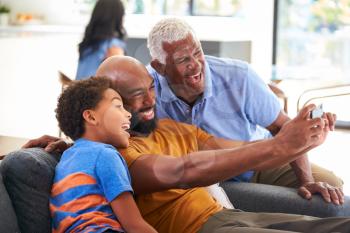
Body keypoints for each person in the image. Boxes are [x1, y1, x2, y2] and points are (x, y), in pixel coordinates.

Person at [24, 56, 349, 233]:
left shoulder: (174, 129)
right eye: (135, 97)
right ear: (109, 104)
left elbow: (238, 154)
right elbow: (183, 170)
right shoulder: (117, 153)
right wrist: (282, 144)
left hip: (228, 214)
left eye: (152, 87)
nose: (152, 99)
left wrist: (297, 139)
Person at [146, 18, 343, 203]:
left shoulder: (240, 76)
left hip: (257, 162)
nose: (195, 65)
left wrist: (306, 181)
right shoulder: (145, 88)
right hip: (196, 177)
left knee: (329, 186)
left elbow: (282, 126)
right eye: (182, 60)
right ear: (160, 67)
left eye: (198, 52)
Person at [51, 76, 156, 233]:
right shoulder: (105, 155)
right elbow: (134, 225)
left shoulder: (66, 157)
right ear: (92, 117)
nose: (128, 114)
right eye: (118, 106)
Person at [76, 0, 127, 80]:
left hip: (78, 90)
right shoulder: (113, 45)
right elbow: (119, 79)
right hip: (96, 91)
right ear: (118, 17)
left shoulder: (88, 43)